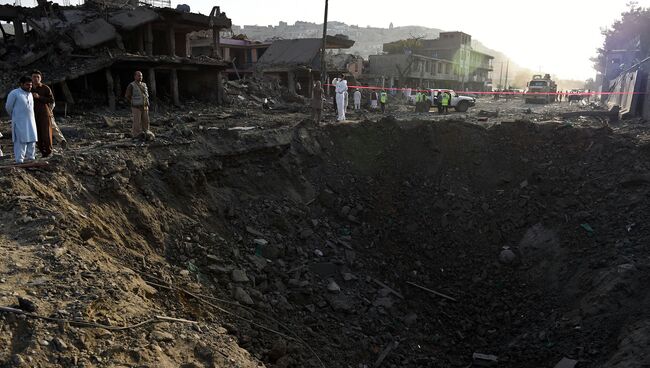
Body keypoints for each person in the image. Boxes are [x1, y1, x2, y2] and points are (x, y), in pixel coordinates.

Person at [5, 76, 38, 164]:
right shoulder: (14, 93)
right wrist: (15, 116)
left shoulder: (30, 94)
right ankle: (19, 160)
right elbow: (8, 107)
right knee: (20, 140)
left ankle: (31, 157)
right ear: (21, 84)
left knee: (32, 139)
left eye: (31, 85)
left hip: (31, 121)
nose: (29, 87)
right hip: (19, 121)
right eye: (27, 85)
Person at [30, 70, 54, 158]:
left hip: (44, 113)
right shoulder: (29, 88)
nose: (36, 79)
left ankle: (48, 151)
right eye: (34, 77)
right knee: (36, 133)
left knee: (46, 133)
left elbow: (51, 100)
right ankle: (42, 151)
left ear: (41, 78)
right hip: (32, 114)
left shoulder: (45, 88)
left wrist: (39, 97)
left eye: (37, 77)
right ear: (31, 78)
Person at [125, 71, 150, 139]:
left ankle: (146, 133)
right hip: (136, 106)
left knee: (146, 120)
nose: (140, 77)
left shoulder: (144, 84)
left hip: (145, 106)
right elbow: (127, 95)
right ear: (135, 76)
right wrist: (133, 101)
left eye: (141, 76)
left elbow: (146, 95)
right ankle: (136, 135)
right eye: (138, 76)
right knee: (137, 121)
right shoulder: (131, 85)